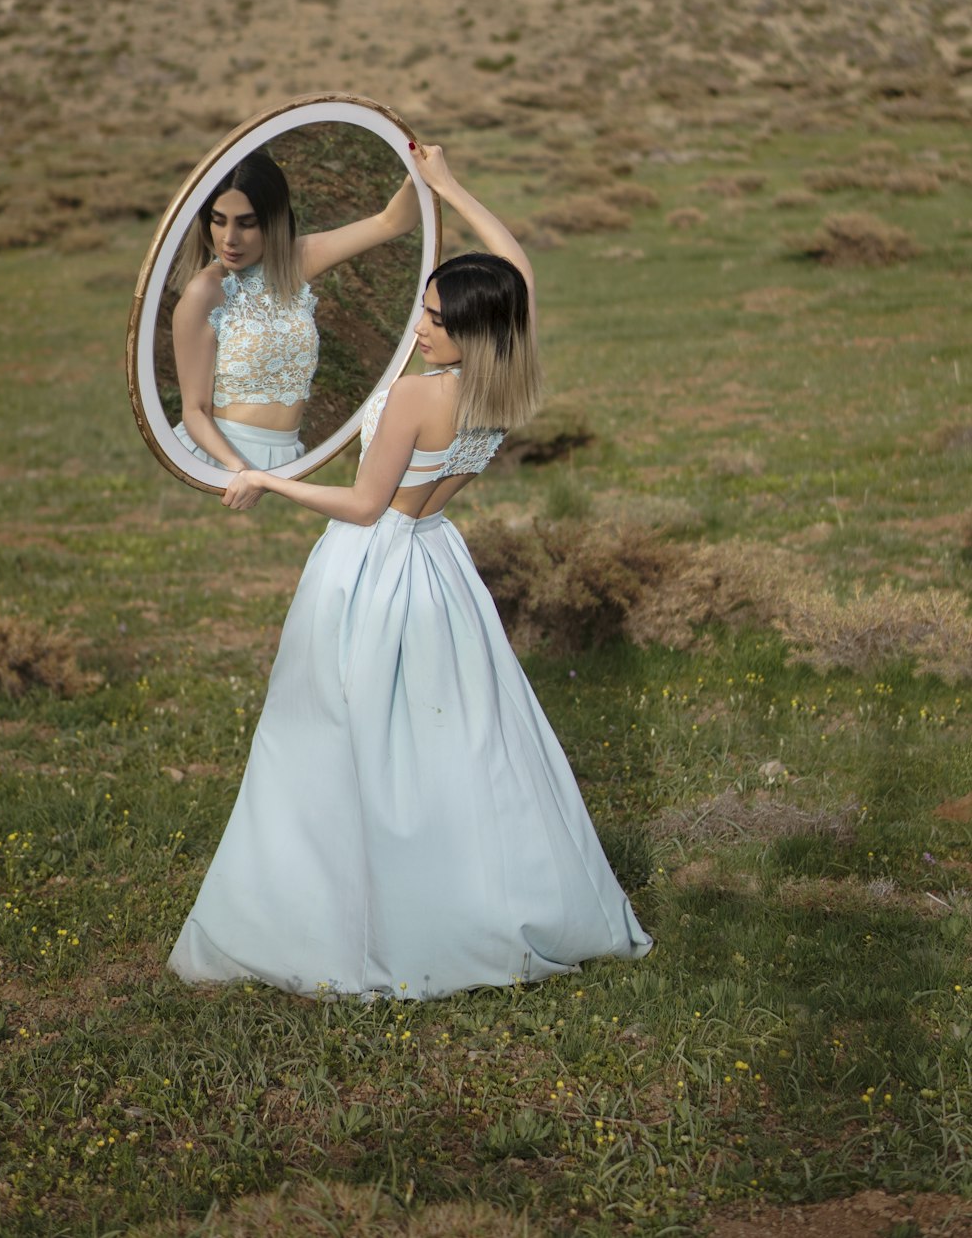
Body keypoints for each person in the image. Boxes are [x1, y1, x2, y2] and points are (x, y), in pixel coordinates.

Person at [167, 144, 653, 1000]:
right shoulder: (509, 372)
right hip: (441, 562)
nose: (416, 324)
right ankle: (475, 887)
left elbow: (362, 508)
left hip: (373, 567)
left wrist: (266, 478)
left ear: (466, 329)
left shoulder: (416, 397)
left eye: (430, 317)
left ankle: (351, 914)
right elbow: (516, 267)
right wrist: (448, 186)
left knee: (325, 737)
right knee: (456, 738)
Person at [170, 148, 420, 472]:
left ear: (273, 221)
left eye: (247, 224)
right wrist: (238, 469)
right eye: (219, 221)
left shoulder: (295, 261)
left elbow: (394, 221)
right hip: (222, 460)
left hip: (287, 459)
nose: (229, 239)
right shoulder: (205, 292)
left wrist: (417, 171)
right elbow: (194, 411)